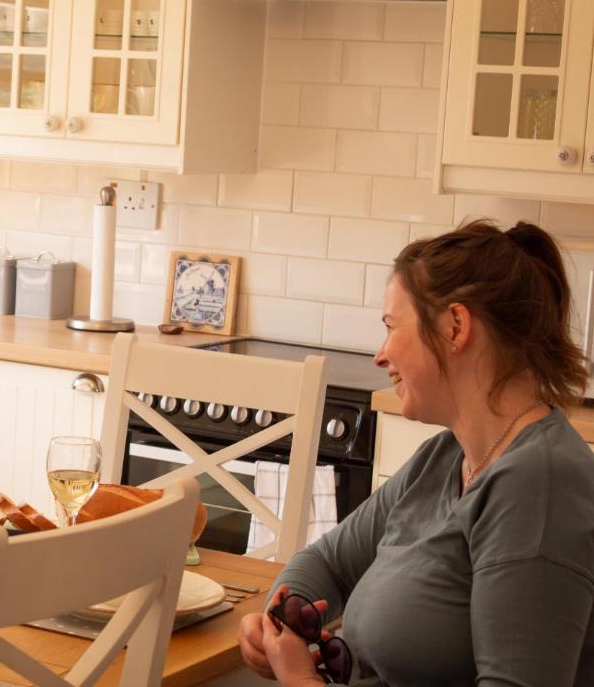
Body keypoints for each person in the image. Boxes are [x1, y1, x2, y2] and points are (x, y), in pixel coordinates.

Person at [239, 220, 594, 686]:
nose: (380, 355)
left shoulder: (538, 486)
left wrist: (301, 680)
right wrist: (280, 617)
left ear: (455, 326)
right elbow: (327, 562)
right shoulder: (447, 455)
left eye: (390, 327)